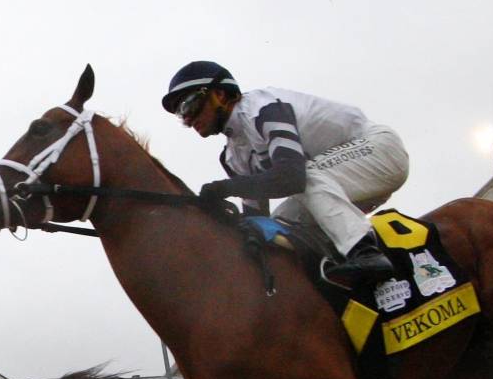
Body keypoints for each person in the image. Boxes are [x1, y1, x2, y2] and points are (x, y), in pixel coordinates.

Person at [161, 60, 406, 288]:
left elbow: (292, 178)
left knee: (306, 175)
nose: (189, 118)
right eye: (181, 115)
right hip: (341, 182)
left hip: (379, 150)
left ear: (220, 94)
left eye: (189, 105)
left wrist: (226, 188)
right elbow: (256, 219)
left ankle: (366, 253)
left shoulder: (262, 108)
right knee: (278, 227)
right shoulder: (232, 156)